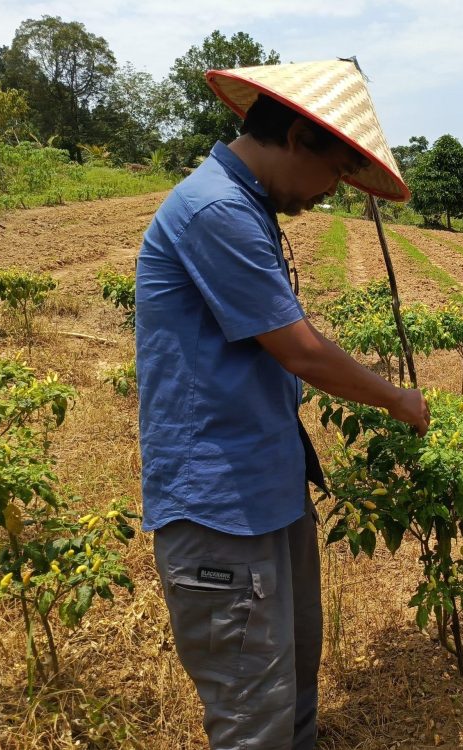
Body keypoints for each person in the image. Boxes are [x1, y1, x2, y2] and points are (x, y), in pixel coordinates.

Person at [135, 60, 429, 750]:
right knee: (252, 715)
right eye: (335, 173)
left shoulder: (245, 206)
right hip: (219, 506)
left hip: (264, 486)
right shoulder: (217, 210)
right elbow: (300, 351)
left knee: (291, 689)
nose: (330, 193)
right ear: (299, 136)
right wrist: (397, 401)